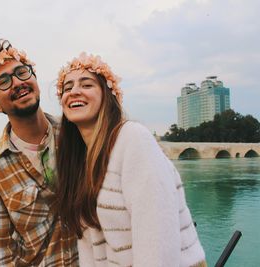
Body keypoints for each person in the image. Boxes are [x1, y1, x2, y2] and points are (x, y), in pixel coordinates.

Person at [55, 53, 207, 267]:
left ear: (107, 97)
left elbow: (157, 239)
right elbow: (88, 247)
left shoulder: (133, 139)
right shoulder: (78, 161)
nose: (74, 92)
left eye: (86, 84)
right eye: (67, 87)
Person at [0, 39, 78, 266]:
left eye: (21, 72)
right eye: (3, 81)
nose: (17, 83)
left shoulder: (76, 135)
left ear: (34, 78)